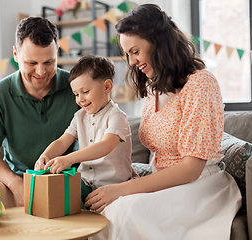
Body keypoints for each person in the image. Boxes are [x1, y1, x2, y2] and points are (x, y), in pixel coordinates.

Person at [85, 4, 242, 240]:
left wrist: (121, 190)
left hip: (199, 187)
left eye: (135, 52)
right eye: (127, 54)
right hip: (165, 186)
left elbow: (191, 169)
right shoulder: (153, 86)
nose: (131, 62)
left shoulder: (201, 84)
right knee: (102, 212)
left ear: (159, 42)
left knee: (122, 211)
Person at [0, 17, 79, 207]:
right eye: (31, 63)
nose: (41, 72)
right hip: (16, 181)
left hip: (70, 180)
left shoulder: (77, 87)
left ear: (57, 53)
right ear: (15, 54)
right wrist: (16, 185)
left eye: (49, 62)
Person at [34, 55, 135, 206]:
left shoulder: (117, 116)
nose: (80, 99)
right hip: (86, 183)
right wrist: (45, 155)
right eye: (76, 94)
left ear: (107, 87)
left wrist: (69, 159)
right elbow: (63, 141)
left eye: (85, 91)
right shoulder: (79, 116)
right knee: (60, 199)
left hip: (113, 185)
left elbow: (106, 145)